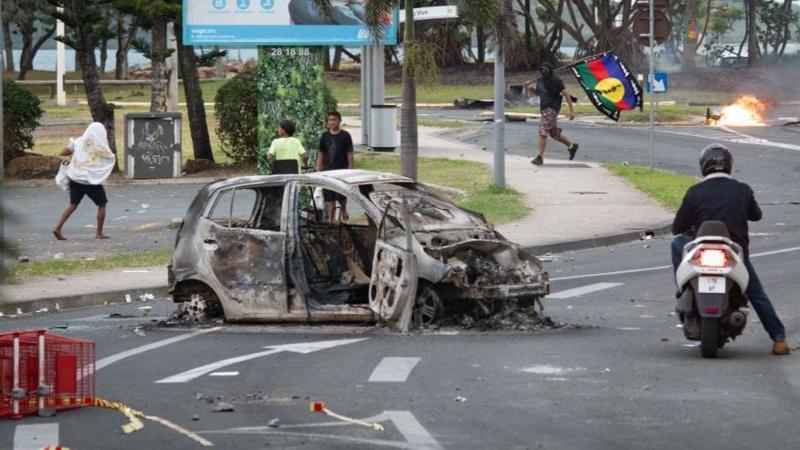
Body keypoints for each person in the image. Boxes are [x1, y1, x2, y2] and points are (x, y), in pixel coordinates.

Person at [671, 143, 790, 356]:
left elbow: (677, 228)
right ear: (729, 166)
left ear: (704, 166)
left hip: (701, 253)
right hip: (734, 254)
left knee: (676, 245)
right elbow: (757, 215)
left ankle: (683, 286)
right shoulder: (742, 190)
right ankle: (779, 339)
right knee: (755, 293)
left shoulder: (695, 192)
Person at [53, 122, 116, 240]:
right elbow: (108, 159)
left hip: (75, 177)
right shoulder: (100, 146)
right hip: (90, 181)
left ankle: (58, 228)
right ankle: (99, 233)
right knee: (102, 204)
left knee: (73, 204)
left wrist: (75, 155)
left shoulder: (78, 141)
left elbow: (63, 152)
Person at [524, 62, 579, 166]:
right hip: (544, 109)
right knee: (553, 132)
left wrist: (571, 111)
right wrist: (530, 87)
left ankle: (539, 157)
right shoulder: (540, 80)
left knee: (543, 130)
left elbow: (567, 95)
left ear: (550, 70)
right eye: (541, 70)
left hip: (552, 108)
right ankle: (571, 146)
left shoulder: (556, 80)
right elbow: (539, 93)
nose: (543, 72)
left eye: (545, 70)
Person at [316, 111, 354, 223]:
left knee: (341, 195)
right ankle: (331, 220)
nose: (332, 122)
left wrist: (351, 169)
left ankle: (343, 210)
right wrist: (319, 168)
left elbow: (350, 153)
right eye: (330, 120)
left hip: (342, 170)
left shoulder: (345, 135)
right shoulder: (324, 136)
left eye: (334, 119)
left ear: (339, 121)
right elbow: (321, 153)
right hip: (327, 171)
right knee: (329, 196)